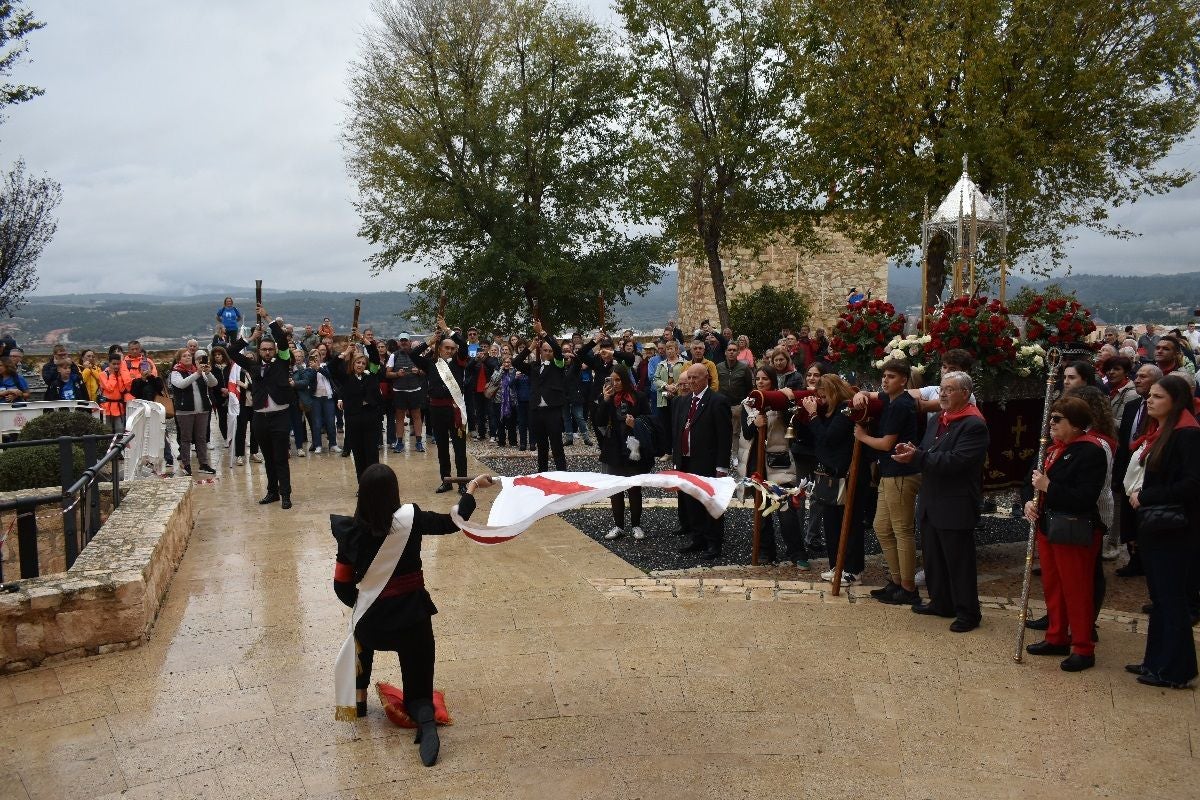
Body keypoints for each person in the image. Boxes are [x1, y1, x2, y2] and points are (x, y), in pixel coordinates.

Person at [331, 464, 496, 765]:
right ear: (394, 492)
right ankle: (425, 718)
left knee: (359, 631)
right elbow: (453, 521)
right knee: (419, 691)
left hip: (372, 626)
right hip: (411, 620)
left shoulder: (349, 532)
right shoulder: (411, 518)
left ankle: (359, 701)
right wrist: (471, 488)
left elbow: (341, 587)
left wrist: (366, 602)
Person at [893, 370, 988, 632]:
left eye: (949, 389)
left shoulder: (974, 424)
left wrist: (917, 458)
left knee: (959, 562)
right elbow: (928, 450)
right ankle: (941, 601)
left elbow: (956, 461)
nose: (942, 394)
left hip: (955, 502)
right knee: (934, 557)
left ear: (965, 394)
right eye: (942, 389)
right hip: (932, 499)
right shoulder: (940, 419)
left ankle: (968, 612)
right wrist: (911, 451)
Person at [1021, 397, 1106, 671]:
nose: (1052, 423)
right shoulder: (1051, 449)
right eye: (1052, 418)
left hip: (1074, 529)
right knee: (1054, 585)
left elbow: (1084, 496)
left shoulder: (1090, 451)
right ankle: (1056, 635)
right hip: (1049, 526)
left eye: (1058, 419)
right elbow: (1029, 482)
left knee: (1077, 589)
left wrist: (1048, 487)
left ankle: (1082, 646)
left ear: (1076, 424)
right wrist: (1029, 502)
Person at [1127, 375, 1200, 687]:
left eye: (1157, 396)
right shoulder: (1161, 432)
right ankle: (1155, 661)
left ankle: (1176, 670)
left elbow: (1192, 484)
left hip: (1175, 529)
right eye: (1150, 396)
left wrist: (1146, 496)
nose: (1149, 400)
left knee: (1171, 599)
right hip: (1157, 526)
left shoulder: (1188, 435)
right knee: (1161, 597)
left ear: (1175, 401)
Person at [857, 360, 921, 605]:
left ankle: (908, 587)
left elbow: (886, 444)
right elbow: (873, 394)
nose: (885, 380)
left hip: (901, 473)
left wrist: (862, 437)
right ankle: (896, 581)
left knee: (902, 530)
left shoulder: (901, 405)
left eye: (891, 377)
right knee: (882, 526)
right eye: (883, 376)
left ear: (904, 380)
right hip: (889, 472)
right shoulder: (890, 400)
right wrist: (861, 394)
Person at [802, 374, 870, 585]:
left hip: (847, 475)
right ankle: (837, 565)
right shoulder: (829, 410)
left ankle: (853, 569)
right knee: (831, 523)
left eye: (823, 397)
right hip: (830, 475)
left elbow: (828, 438)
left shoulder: (843, 411)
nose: (820, 401)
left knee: (849, 524)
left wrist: (813, 416)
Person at [229, 306, 295, 509]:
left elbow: (282, 340)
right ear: (259, 351)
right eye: (264, 349)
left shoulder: (283, 362)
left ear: (274, 351)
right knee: (268, 458)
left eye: (270, 349)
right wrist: (250, 337)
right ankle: (272, 492)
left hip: (280, 416)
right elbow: (231, 351)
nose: (267, 352)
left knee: (281, 458)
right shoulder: (252, 365)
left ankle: (285, 494)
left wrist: (267, 318)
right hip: (260, 417)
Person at [743, 366, 807, 566]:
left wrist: (785, 399)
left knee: (786, 510)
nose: (760, 382)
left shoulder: (780, 403)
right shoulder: (748, 404)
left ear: (772, 381)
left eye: (765, 379)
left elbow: (793, 423)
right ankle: (765, 551)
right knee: (762, 510)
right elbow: (746, 433)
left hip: (778, 463)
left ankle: (797, 553)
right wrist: (755, 424)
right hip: (757, 463)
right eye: (757, 379)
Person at [672, 363, 732, 560]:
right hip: (687, 461)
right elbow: (678, 432)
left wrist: (722, 466)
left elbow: (724, 437)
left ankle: (714, 542)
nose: (691, 382)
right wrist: (677, 461)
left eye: (695, 378)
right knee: (691, 502)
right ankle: (698, 538)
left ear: (706, 377)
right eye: (689, 378)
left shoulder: (717, 401)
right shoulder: (683, 402)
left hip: (707, 461)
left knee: (709, 502)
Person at [410, 317, 470, 493]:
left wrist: (448, 330)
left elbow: (464, 346)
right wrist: (430, 341)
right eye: (446, 348)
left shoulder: (460, 363)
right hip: (436, 410)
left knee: (459, 449)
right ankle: (446, 480)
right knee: (442, 448)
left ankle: (462, 482)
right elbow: (413, 355)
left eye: (452, 348)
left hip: (455, 410)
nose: (450, 351)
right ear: (440, 348)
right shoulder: (431, 363)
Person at [1114, 363, 1163, 577]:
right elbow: (1125, 438)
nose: (1137, 379)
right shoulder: (1133, 405)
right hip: (1129, 466)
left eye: (1143, 376)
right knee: (1128, 517)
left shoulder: (1160, 409)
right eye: (1138, 376)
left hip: (1149, 470)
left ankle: (1146, 559)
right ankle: (1134, 557)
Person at [595, 364, 653, 541]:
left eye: (618, 380)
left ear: (625, 379)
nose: (615, 383)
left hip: (633, 446)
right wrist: (605, 400)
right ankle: (618, 525)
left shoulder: (638, 396)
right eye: (612, 380)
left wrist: (635, 423)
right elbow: (598, 421)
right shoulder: (608, 398)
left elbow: (649, 420)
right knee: (616, 489)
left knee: (634, 488)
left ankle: (636, 524)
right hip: (614, 446)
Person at [326, 339, 384, 478]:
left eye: (363, 363)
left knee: (372, 453)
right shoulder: (346, 378)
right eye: (358, 362)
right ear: (353, 364)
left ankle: (374, 482)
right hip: (353, 419)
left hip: (370, 418)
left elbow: (375, 357)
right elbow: (332, 367)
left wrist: (365, 341)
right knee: (358, 454)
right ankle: (362, 484)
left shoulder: (372, 375)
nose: (360, 365)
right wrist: (346, 352)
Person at [515, 322, 568, 472]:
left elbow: (557, 349)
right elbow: (516, 362)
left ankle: (562, 475)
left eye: (550, 350)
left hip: (553, 411)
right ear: (541, 351)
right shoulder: (534, 366)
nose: (548, 352)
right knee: (542, 447)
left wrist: (543, 332)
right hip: (537, 411)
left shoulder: (558, 365)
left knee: (557, 446)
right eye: (545, 350)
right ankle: (542, 474)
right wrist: (530, 347)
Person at [170, 348, 218, 477]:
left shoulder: (197, 371)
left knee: (201, 438)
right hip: (185, 410)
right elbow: (182, 384)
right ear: (179, 359)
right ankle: (186, 464)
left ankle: (204, 464)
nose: (187, 357)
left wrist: (207, 373)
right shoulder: (176, 372)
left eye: (189, 356)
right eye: (184, 356)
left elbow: (214, 383)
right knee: (186, 438)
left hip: (202, 409)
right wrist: (197, 373)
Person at [652, 339, 686, 420]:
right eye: (667, 349)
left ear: (677, 350)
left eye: (671, 348)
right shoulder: (661, 364)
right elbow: (655, 380)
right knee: (665, 423)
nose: (669, 351)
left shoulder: (684, 363)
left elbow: (686, 378)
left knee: (679, 421)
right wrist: (667, 386)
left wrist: (675, 387)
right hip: (664, 396)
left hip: (679, 395)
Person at [96, 353, 127, 431]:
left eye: (118, 364)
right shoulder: (102, 375)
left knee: (120, 429)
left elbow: (122, 389)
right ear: (109, 363)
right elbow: (109, 388)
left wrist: (119, 377)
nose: (116, 366)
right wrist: (113, 375)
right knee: (107, 430)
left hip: (118, 406)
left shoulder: (120, 374)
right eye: (114, 364)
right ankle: (107, 443)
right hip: (106, 406)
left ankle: (119, 443)